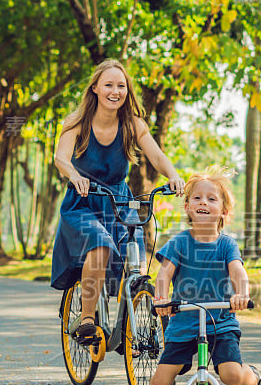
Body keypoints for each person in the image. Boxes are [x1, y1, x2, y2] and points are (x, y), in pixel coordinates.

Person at [50, 59, 185, 347]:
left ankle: (129, 320)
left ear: (127, 91)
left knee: (133, 255)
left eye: (121, 86)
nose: (115, 91)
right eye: (109, 85)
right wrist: (74, 176)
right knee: (99, 246)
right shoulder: (76, 122)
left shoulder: (133, 125)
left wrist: (173, 176)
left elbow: (157, 157)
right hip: (83, 202)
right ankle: (87, 319)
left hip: (118, 202)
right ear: (95, 88)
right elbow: (60, 158)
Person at [143, 170, 261, 385]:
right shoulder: (179, 242)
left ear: (224, 211)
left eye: (212, 199)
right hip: (184, 322)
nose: (204, 202)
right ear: (188, 207)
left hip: (220, 322)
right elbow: (164, 275)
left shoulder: (226, 244)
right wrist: (161, 298)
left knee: (231, 374)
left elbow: (237, 272)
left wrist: (240, 294)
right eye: (197, 198)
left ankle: (252, 378)